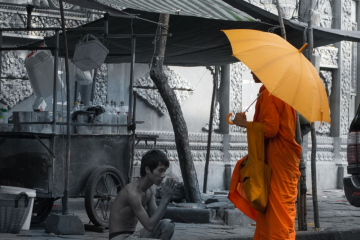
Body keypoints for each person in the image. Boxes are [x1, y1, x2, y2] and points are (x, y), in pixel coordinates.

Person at [230, 72, 302, 240]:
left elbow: (270, 129)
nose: (251, 71)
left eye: (254, 68)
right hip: (281, 159)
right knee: (273, 212)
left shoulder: (271, 91)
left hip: (278, 160)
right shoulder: (276, 91)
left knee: (278, 216)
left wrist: (244, 124)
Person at [109, 149, 176, 240]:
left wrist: (166, 198)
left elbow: (154, 219)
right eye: (160, 170)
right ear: (147, 169)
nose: (163, 175)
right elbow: (150, 226)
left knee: (167, 225)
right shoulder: (132, 193)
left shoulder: (150, 190)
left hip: (134, 235)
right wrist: (164, 200)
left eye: (164, 171)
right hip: (119, 238)